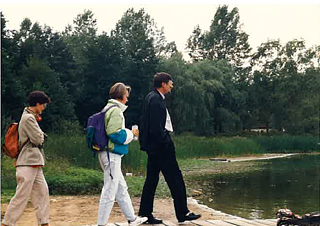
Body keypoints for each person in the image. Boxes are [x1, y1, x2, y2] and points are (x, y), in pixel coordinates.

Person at [138, 72, 201, 224]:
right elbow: (155, 127)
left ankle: (145, 214)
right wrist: (166, 141)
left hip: (154, 148)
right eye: (170, 83)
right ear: (164, 84)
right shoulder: (156, 100)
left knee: (151, 180)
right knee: (175, 179)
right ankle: (183, 212)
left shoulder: (151, 97)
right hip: (161, 148)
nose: (172, 85)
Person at [97, 82, 148, 226]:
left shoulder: (107, 108)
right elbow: (114, 133)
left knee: (121, 187)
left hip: (107, 153)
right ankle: (101, 224)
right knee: (109, 190)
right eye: (126, 96)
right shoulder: (116, 111)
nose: (128, 99)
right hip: (111, 155)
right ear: (122, 96)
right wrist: (131, 134)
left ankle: (132, 219)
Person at [2, 91, 51, 226]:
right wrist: (42, 135)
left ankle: (44, 222)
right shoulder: (28, 118)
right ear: (37, 104)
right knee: (21, 196)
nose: (43, 108)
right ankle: (7, 223)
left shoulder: (29, 117)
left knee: (42, 193)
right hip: (27, 163)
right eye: (43, 105)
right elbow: (38, 139)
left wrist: (40, 135)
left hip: (33, 162)